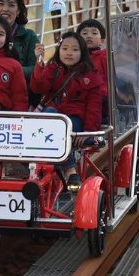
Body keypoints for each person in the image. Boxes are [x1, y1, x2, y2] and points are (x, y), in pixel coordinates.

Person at [32, 33, 105, 192]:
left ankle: (70, 170)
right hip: (53, 116)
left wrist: (88, 133)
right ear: (59, 51)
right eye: (64, 49)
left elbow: (94, 107)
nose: (69, 53)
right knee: (50, 115)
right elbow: (38, 88)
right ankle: (55, 170)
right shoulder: (53, 68)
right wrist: (39, 64)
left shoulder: (90, 74)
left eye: (74, 49)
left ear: (82, 52)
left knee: (56, 122)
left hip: (74, 120)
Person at [0, 0, 39, 87]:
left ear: (18, 10)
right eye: (1, 4)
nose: (5, 9)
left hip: (18, 89)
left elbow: (35, 69)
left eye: (11, 5)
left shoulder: (29, 36)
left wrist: (10, 70)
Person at [78, 18, 109, 126]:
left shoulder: (105, 56)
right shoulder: (75, 57)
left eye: (94, 33)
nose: (89, 36)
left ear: (102, 41)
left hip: (101, 96)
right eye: (84, 33)